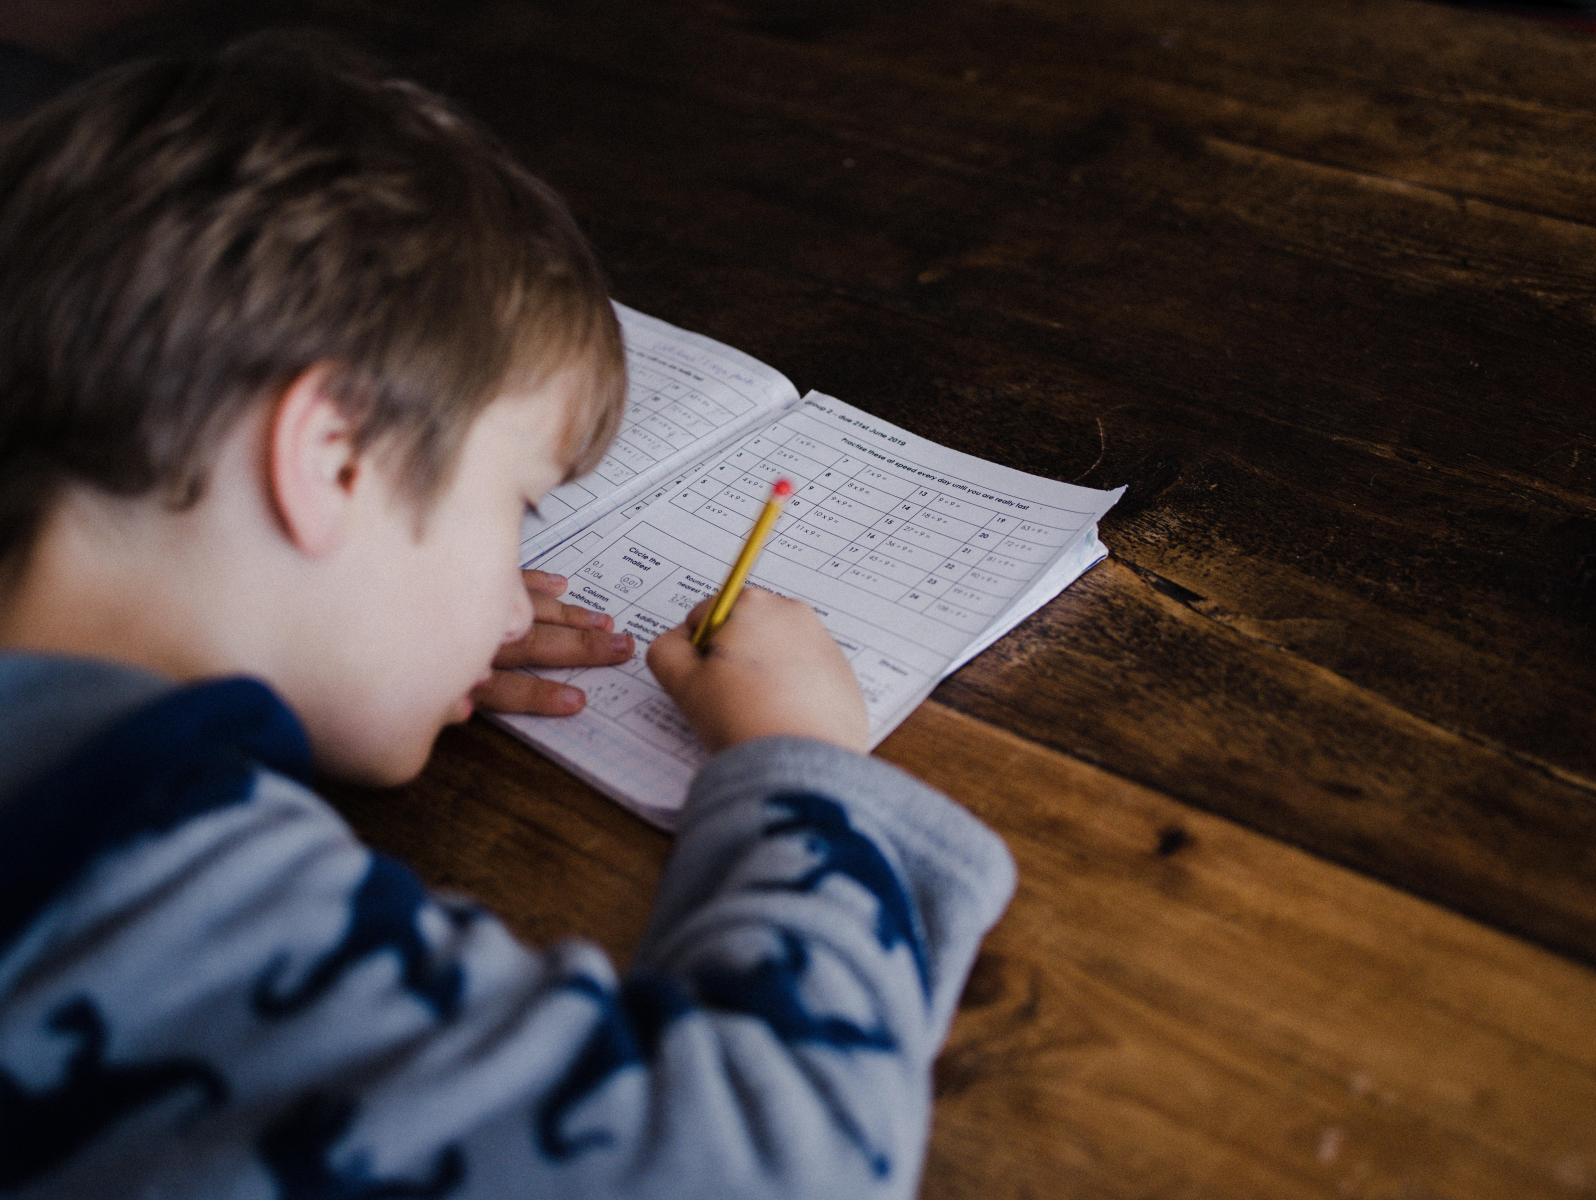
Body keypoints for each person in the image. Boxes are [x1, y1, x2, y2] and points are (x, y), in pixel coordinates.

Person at [0, 34, 1015, 1200]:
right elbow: (782, 1165)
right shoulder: (140, 887)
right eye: (517, 508)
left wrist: (351, 646)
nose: (508, 596)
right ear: (334, 460)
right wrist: (805, 768)